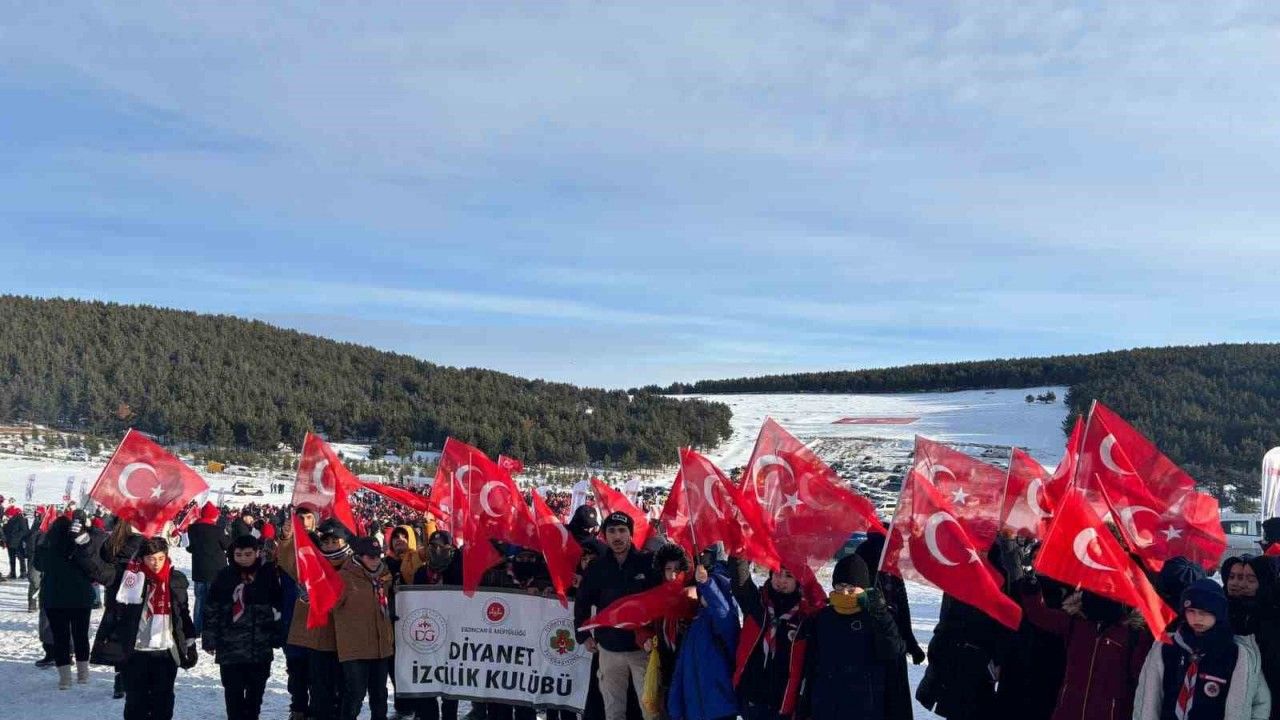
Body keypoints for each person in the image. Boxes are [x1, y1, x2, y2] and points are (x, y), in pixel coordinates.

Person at [1134, 577, 1271, 720]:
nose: (1196, 618)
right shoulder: (1166, 646)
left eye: (1204, 612)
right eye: (1191, 611)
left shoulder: (1236, 654)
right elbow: (1145, 697)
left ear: (1218, 613)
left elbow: (1260, 701)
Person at [1016, 579, 1150, 720]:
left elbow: (1144, 683)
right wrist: (1031, 584)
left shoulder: (1133, 637)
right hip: (1068, 711)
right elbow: (1039, 614)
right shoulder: (1076, 624)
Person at [798, 553, 904, 720]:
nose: (845, 593)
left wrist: (882, 617)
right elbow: (811, 663)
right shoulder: (823, 617)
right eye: (839, 587)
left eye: (851, 588)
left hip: (864, 706)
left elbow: (893, 651)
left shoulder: (875, 615)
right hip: (826, 705)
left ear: (864, 589)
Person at [575, 512, 658, 720]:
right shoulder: (598, 568)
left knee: (651, 709)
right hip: (608, 649)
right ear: (604, 535)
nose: (617, 536)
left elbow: (662, 600)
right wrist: (583, 636)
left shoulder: (648, 563)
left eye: (622, 530)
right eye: (611, 531)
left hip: (642, 650)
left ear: (630, 534)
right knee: (613, 710)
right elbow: (582, 601)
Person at [204, 534, 283, 720]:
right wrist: (209, 638)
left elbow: (278, 607)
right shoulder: (224, 576)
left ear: (257, 553)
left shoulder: (268, 575)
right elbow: (211, 609)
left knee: (255, 699)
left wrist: (277, 633)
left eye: (248, 554)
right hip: (230, 648)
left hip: (259, 647)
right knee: (234, 698)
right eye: (239, 555)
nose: (243, 559)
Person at [280, 517, 352, 720]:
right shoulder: (311, 563)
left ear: (345, 542)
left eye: (334, 541)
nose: (329, 546)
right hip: (317, 639)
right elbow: (288, 561)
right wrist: (286, 538)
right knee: (320, 690)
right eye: (325, 542)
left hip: (345, 639)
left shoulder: (353, 566)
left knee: (343, 690)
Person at [855, 533, 927, 720]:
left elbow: (902, 610)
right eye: (896, 549)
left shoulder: (892, 571)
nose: (899, 553)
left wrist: (911, 644)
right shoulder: (865, 559)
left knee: (894, 703)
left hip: (893, 643)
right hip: (868, 646)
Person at [37, 512, 110, 689]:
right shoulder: (78, 547)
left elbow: (38, 565)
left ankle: (65, 679)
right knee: (81, 635)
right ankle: (83, 674)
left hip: (54, 598)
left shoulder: (46, 547)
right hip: (80, 597)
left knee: (60, 638)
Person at [728, 555, 807, 720]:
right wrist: (740, 550)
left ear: (798, 580)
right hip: (752, 698)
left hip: (782, 705)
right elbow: (740, 582)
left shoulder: (804, 617)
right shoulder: (758, 604)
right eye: (777, 573)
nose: (781, 580)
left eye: (789, 576)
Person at [666, 551, 740, 720]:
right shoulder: (696, 623)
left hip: (720, 709)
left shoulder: (726, 618)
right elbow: (681, 669)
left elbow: (723, 614)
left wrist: (707, 585)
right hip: (694, 711)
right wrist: (675, 707)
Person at [332, 536, 395, 720]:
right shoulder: (344, 577)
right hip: (355, 649)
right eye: (370, 556)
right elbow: (330, 606)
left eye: (377, 555)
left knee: (380, 696)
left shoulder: (385, 576)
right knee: (355, 696)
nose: (375, 559)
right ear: (359, 556)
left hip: (380, 647)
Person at [411, 530, 463, 720]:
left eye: (442, 547)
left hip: (453, 639)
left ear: (451, 549)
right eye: (433, 546)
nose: (437, 550)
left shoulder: (459, 572)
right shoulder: (420, 573)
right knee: (427, 684)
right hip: (427, 637)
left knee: (450, 685)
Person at [1222, 555, 1280, 719]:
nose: (1241, 584)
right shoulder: (1228, 608)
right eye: (1234, 577)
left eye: (1250, 579)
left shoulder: (1271, 614)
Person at [186, 502, 231, 636]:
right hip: (216, 570)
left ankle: (197, 628)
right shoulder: (217, 530)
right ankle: (212, 627)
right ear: (213, 516)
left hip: (199, 570)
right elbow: (227, 545)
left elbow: (191, 547)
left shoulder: (192, 529)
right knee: (214, 600)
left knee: (200, 600)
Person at [5, 505, 30, 578]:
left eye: (8, 514)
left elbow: (24, 530)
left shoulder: (20, 518)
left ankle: (23, 572)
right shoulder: (9, 519)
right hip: (10, 541)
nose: (8, 516)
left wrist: (16, 537)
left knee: (21, 557)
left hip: (18, 542)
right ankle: (13, 572)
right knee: (11, 558)